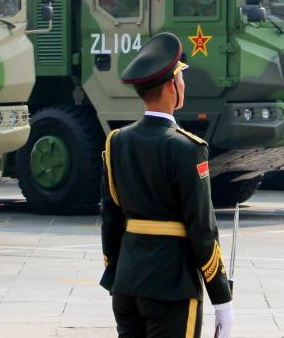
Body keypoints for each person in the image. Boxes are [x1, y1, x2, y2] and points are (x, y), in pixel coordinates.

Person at [100, 32, 235, 338]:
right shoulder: (188, 148)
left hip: (126, 285)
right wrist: (222, 298)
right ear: (173, 86)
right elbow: (202, 229)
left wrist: (117, 273)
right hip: (171, 287)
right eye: (181, 78)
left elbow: (110, 218)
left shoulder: (117, 141)